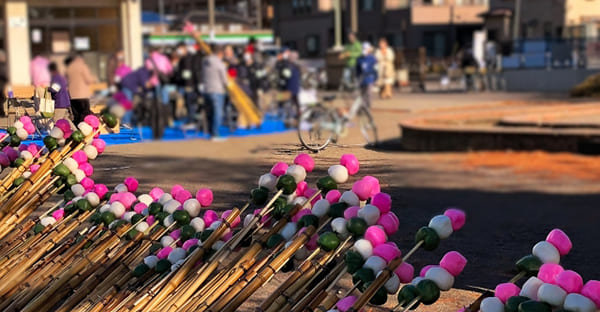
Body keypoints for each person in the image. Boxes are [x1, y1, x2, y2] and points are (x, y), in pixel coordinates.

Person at [201, 45, 229, 140]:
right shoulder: (219, 63)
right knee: (217, 113)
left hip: (206, 89)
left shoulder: (205, 62)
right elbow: (224, 80)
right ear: (220, 53)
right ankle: (215, 134)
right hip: (217, 90)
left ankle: (210, 132)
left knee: (209, 113)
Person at [174, 43, 202, 125]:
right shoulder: (183, 59)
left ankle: (192, 121)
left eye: (180, 48)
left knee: (191, 104)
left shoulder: (191, 58)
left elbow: (194, 71)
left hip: (191, 84)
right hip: (185, 84)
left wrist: (197, 83)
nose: (179, 51)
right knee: (188, 103)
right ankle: (191, 120)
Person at [66, 52, 97, 124]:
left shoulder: (69, 67)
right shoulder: (83, 66)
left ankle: (77, 130)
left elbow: (66, 80)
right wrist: (94, 78)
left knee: (76, 115)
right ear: (80, 58)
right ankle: (83, 131)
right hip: (82, 95)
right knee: (85, 114)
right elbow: (88, 79)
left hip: (72, 95)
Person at [355, 42, 377, 109]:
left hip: (369, 78)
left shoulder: (372, 58)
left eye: (366, 48)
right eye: (363, 48)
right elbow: (357, 70)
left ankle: (368, 107)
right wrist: (357, 78)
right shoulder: (359, 59)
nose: (365, 50)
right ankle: (363, 107)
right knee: (362, 94)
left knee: (369, 93)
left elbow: (375, 69)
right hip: (362, 78)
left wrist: (375, 78)